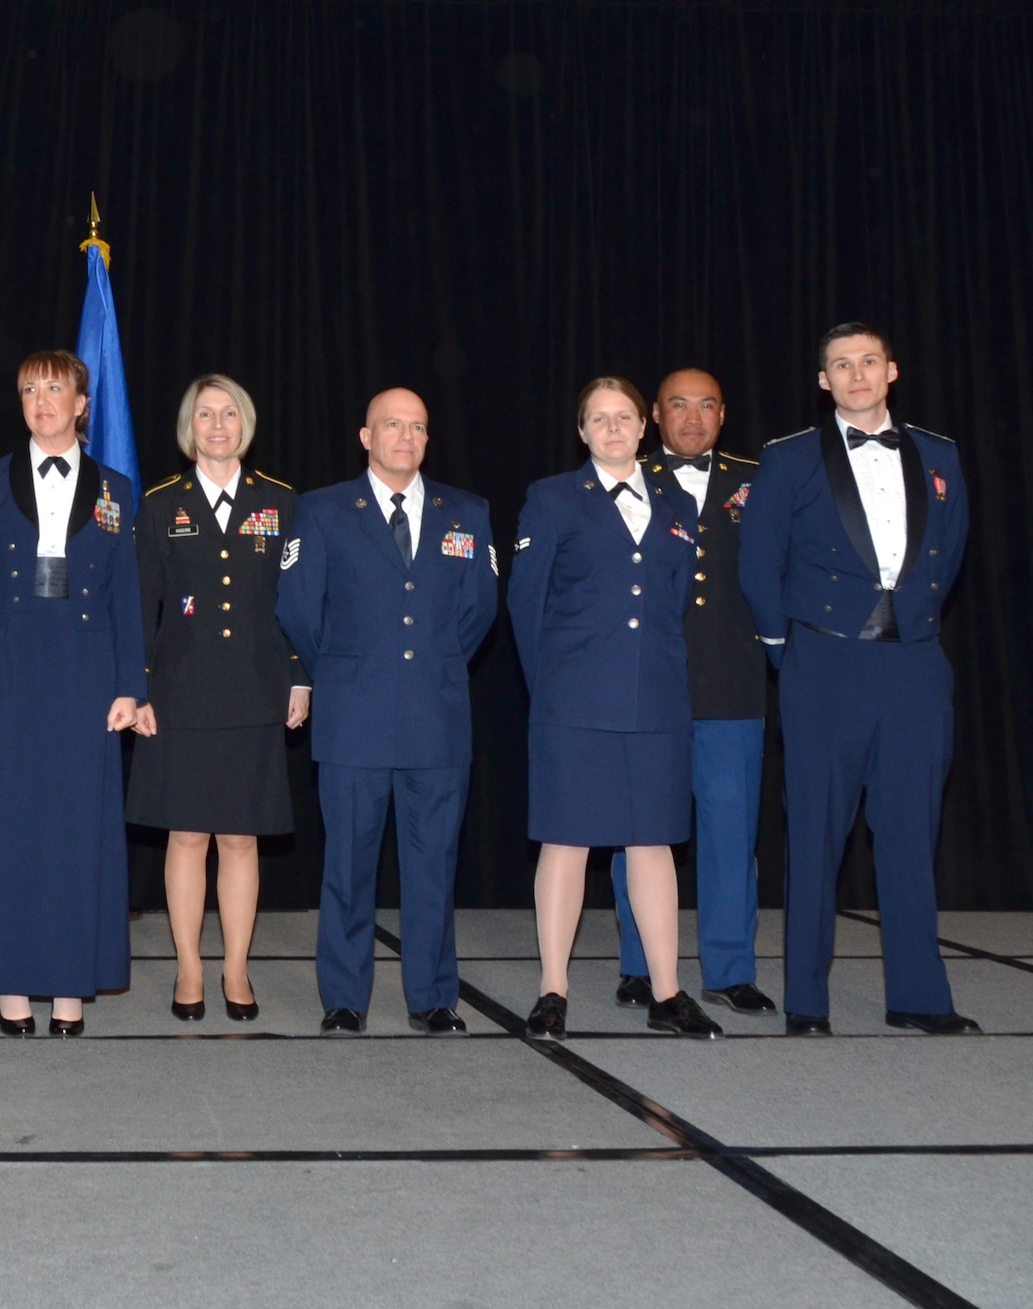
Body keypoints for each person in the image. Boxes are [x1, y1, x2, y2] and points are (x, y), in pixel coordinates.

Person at [739, 323, 978, 1036]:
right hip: (824, 662)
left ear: (891, 370)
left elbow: (952, 547)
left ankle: (919, 995)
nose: (856, 374)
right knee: (815, 833)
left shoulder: (939, 452)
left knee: (912, 830)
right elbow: (759, 564)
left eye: (868, 361)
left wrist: (914, 617)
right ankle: (808, 1002)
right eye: (841, 365)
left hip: (914, 663)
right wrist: (791, 650)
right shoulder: (786, 459)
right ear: (824, 381)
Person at [0, 350, 146, 1037]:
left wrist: (130, 685)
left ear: (82, 403)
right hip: (5, 667)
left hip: (84, 673)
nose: (42, 400)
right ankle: (13, 985)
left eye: (55, 389)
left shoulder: (116, 488)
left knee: (74, 830)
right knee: (6, 831)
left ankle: (69, 985)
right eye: (29, 390)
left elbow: (127, 597)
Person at [506, 376, 722, 1040]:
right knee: (567, 841)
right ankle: (552, 989)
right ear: (582, 431)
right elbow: (525, 603)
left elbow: (674, 599)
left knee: (652, 841)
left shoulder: (677, 499)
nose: (612, 427)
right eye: (598, 419)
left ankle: (667, 991)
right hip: (573, 700)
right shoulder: (551, 499)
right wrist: (556, 690)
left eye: (623, 416)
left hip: (655, 697)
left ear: (644, 425)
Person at [277, 387, 496, 1036]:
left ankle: (432, 997)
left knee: (433, 866)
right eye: (392, 425)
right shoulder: (320, 512)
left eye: (418, 427)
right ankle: (344, 998)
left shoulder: (468, 512)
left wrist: (429, 659)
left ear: (429, 439)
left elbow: (479, 609)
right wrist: (344, 669)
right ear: (365, 437)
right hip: (353, 717)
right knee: (348, 865)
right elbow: (297, 608)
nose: (406, 436)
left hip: (437, 716)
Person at [129, 374, 307, 1023]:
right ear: (189, 427)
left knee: (239, 838)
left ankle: (235, 969)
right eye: (205, 413)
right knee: (186, 836)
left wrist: (300, 676)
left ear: (246, 423)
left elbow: (297, 603)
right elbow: (139, 604)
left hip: (256, 690)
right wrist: (137, 685)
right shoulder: (158, 505)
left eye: (229, 412)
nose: (217, 424)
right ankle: (187, 968)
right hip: (179, 693)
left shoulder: (282, 502)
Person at [609, 370, 775, 1017]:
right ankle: (636, 963)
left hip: (732, 685)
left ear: (723, 413)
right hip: (648, 688)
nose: (693, 416)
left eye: (707, 404)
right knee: (638, 830)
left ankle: (729, 969)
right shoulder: (627, 478)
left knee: (731, 834)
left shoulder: (756, 480)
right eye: (679, 404)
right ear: (655, 414)